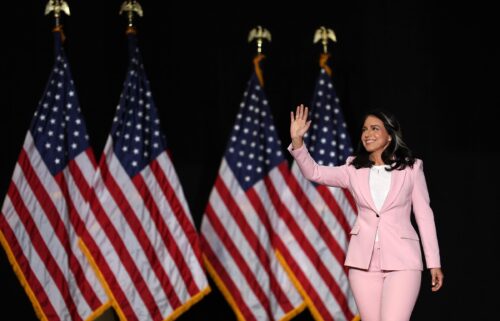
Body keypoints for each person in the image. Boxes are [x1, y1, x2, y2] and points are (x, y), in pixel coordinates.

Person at [288, 104, 444, 321]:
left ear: (389, 135)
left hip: (403, 262)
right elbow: (314, 172)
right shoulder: (353, 169)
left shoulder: (411, 169)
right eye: (364, 129)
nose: (367, 134)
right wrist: (298, 141)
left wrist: (433, 262)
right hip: (363, 264)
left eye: (374, 128)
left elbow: (424, 216)